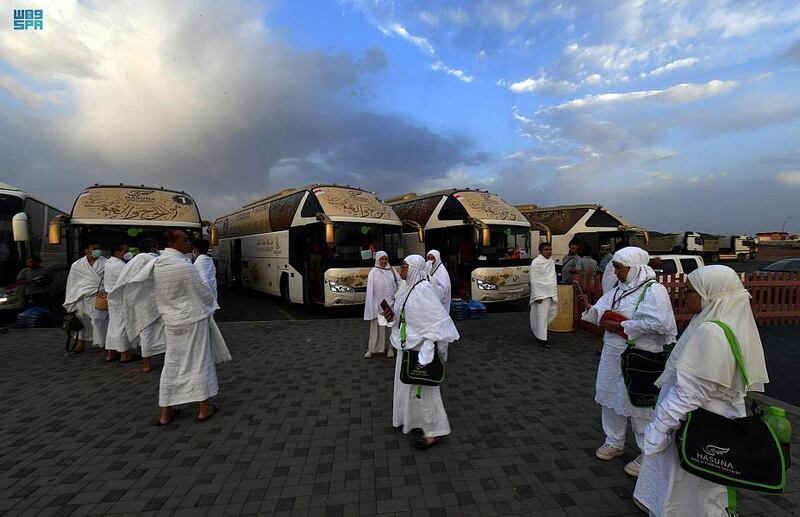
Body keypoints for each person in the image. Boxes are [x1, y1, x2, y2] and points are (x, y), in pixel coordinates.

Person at [633, 266, 769, 516]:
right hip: (718, 424)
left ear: (710, 295)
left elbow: (690, 393)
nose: (686, 296)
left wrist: (658, 430)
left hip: (698, 426)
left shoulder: (711, 331)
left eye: (690, 291)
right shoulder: (725, 323)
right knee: (706, 489)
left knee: (686, 492)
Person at [579, 247, 677, 477]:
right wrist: (591, 311)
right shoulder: (618, 290)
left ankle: (647, 451)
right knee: (610, 395)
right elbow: (601, 311)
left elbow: (662, 324)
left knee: (638, 403)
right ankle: (614, 441)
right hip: (613, 356)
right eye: (615, 267)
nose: (616, 272)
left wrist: (623, 326)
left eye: (619, 267)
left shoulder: (655, 291)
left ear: (635, 267)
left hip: (639, 358)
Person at [127, 230, 231, 425]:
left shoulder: (158, 264)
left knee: (172, 364)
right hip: (193, 321)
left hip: (172, 321)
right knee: (199, 362)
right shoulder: (183, 266)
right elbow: (203, 293)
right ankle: (203, 409)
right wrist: (210, 305)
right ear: (172, 243)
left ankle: (165, 413)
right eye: (184, 239)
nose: (188, 242)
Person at [385, 254, 460, 450]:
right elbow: (404, 316)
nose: (401, 269)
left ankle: (433, 431)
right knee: (406, 388)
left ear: (414, 269)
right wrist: (391, 315)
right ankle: (413, 421)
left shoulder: (423, 290)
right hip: (407, 348)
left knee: (426, 393)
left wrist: (427, 351)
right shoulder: (406, 288)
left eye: (404, 266)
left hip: (420, 353)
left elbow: (438, 322)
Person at [109, 238, 165, 374]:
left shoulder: (137, 260)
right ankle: (159, 361)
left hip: (142, 303)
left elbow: (124, 280)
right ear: (153, 247)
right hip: (156, 301)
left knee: (146, 332)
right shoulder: (156, 260)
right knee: (160, 332)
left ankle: (147, 364)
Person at [63, 241, 108, 354]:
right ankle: (80, 344)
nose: (97, 250)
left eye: (98, 248)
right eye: (94, 248)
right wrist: (70, 300)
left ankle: (105, 344)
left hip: (99, 297)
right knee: (83, 321)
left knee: (99, 321)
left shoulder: (106, 263)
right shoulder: (77, 265)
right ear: (86, 250)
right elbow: (72, 283)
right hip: (82, 298)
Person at [363, 251, 400, 358]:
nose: (384, 261)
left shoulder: (392, 270)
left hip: (390, 305)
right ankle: (372, 349)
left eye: (385, 259)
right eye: (381, 259)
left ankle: (390, 348)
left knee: (389, 328)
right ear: (377, 260)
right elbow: (370, 291)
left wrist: (395, 298)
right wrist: (372, 305)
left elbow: (400, 283)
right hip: (377, 306)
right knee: (376, 328)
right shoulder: (373, 272)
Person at [104, 243, 134, 362]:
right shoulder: (120, 266)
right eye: (125, 251)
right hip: (121, 299)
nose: (128, 253)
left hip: (112, 299)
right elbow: (129, 280)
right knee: (122, 325)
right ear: (117, 252)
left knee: (113, 325)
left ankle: (111, 352)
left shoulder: (109, 263)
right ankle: (124, 354)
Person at [529, 242, 558, 348]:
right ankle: (543, 339)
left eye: (550, 249)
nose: (549, 251)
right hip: (541, 294)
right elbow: (534, 279)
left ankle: (535, 328)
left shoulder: (551, 261)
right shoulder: (536, 262)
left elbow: (552, 278)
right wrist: (537, 296)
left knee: (553, 313)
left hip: (550, 292)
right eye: (546, 250)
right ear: (540, 251)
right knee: (542, 316)